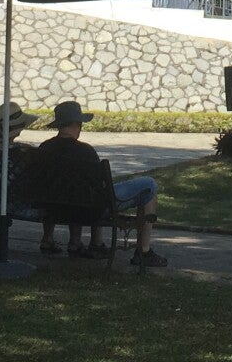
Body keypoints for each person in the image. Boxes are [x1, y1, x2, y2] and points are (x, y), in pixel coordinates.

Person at [27, 99, 168, 267]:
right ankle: (143, 250)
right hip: (88, 210)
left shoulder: (44, 148)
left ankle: (84, 242)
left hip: (52, 208)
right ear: (77, 124)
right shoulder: (85, 152)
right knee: (149, 185)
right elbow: (100, 188)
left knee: (81, 194)